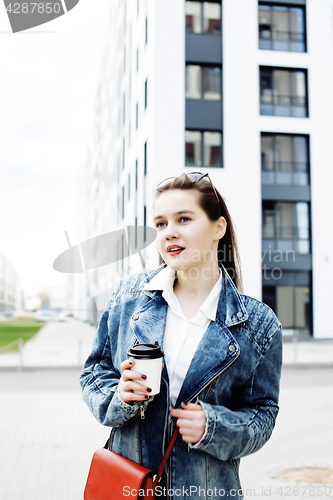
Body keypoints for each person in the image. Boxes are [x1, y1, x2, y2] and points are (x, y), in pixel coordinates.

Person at [79, 172, 283, 499]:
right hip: (128, 488)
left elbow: (262, 414)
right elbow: (93, 373)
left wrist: (215, 427)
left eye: (184, 219)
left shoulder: (259, 324)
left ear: (218, 227)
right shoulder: (126, 298)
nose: (169, 232)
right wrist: (120, 396)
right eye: (160, 224)